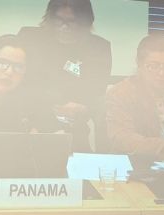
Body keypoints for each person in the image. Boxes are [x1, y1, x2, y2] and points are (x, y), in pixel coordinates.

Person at [18, 0, 111, 151]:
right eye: (58, 19)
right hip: (30, 122)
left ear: (85, 22)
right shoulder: (30, 39)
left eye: (72, 21)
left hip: (72, 127)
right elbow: (19, 84)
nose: (64, 26)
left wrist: (83, 107)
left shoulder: (98, 48)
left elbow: (96, 93)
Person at [106, 35, 164, 162]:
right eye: (153, 66)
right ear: (139, 64)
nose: (161, 73)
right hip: (139, 165)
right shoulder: (121, 93)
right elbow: (122, 138)